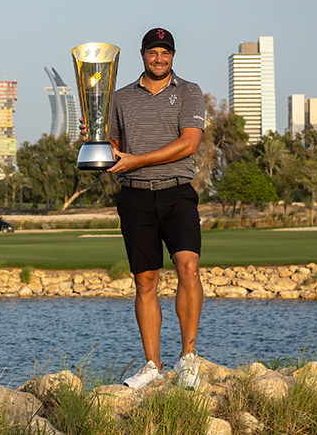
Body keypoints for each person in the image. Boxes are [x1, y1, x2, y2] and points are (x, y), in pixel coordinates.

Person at [85, 28, 206, 390]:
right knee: (145, 281)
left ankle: (188, 360)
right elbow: (115, 151)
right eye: (153, 53)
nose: (159, 59)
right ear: (142, 55)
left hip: (178, 192)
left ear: (173, 56)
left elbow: (188, 144)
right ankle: (152, 366)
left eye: (165, 53)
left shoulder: (189, 92)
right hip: (136, 197)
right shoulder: (120, 98)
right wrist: (95, 136)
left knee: (189, 267)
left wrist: (137, 160)